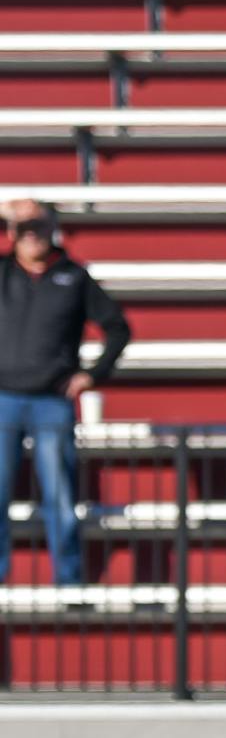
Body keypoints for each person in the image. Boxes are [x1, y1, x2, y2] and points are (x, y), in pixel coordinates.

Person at [0, 198, 131, 587]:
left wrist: (92, 375)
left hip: (52, 402)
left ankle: (69, 581)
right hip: (3, 399)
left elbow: (118, 328)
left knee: (59, 493)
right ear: (11, 233)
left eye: (38, 227)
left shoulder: (73, 277)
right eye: (23, 229)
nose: (31, 237)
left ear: (51, 230)